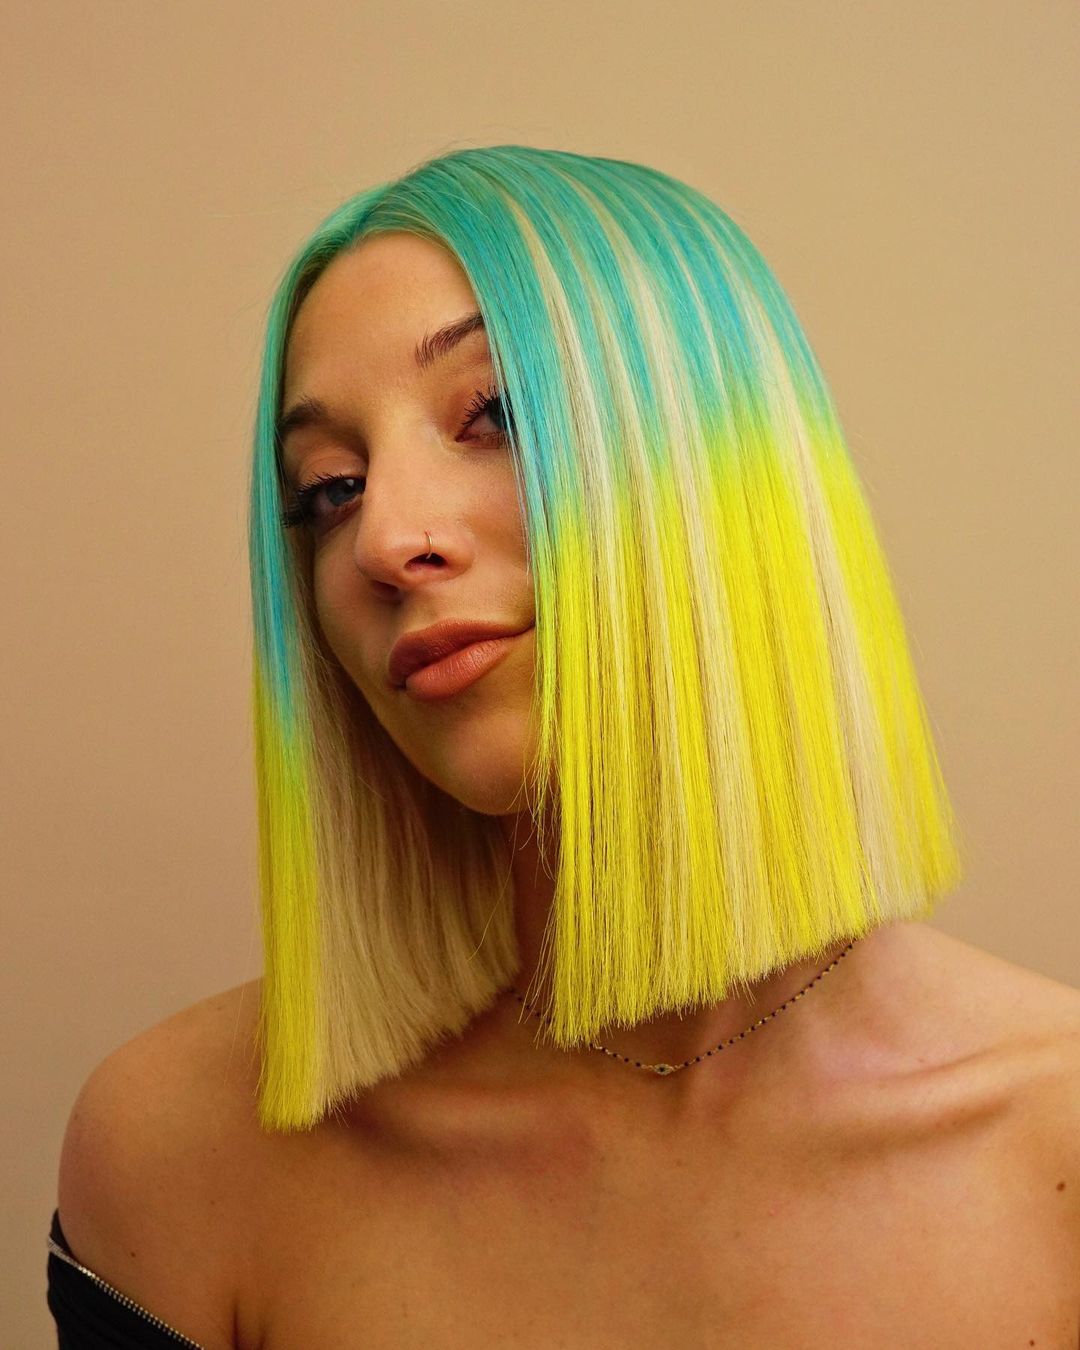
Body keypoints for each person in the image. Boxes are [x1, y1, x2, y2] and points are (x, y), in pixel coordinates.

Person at [49, 146, 1080, 1348]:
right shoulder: (182, 1157)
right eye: (330, 487)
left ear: (725, 469)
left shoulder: (1050, 1146)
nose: (383, 538)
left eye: (494, 413)